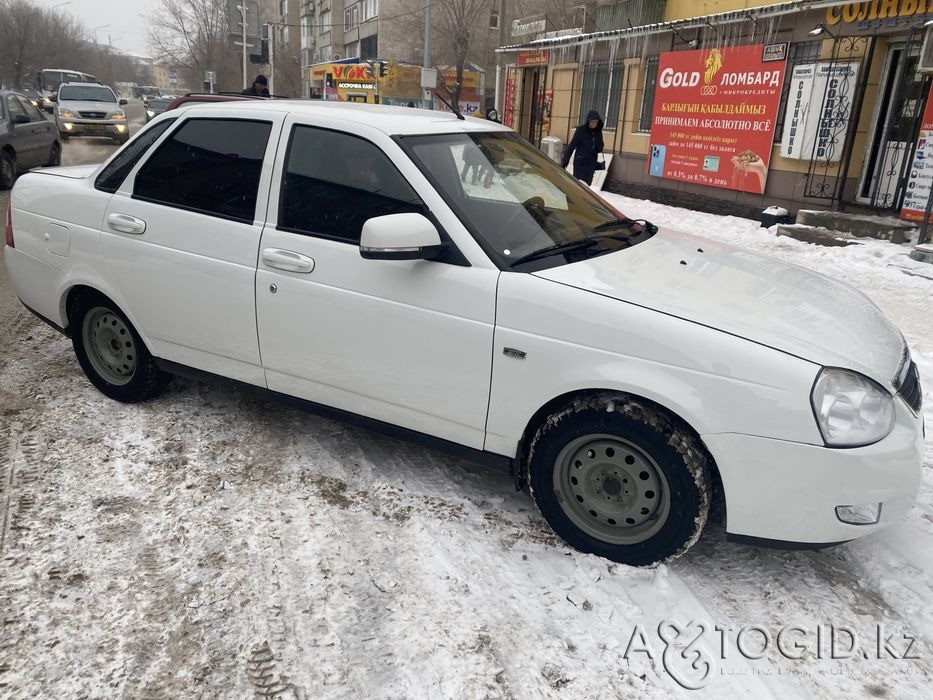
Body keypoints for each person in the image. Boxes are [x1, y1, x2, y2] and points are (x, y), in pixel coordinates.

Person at [561, 110, 604, 186]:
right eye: (592, 122)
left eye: (596, 122)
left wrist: (598, 147)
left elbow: (601, 144)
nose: (594, 124)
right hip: (580, 163)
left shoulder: (598, 131)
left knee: (587, 186)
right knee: (578, 185)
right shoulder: (581, 130)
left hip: (591, 164)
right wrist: (564, 162)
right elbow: (571, 146)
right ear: (588, 121)